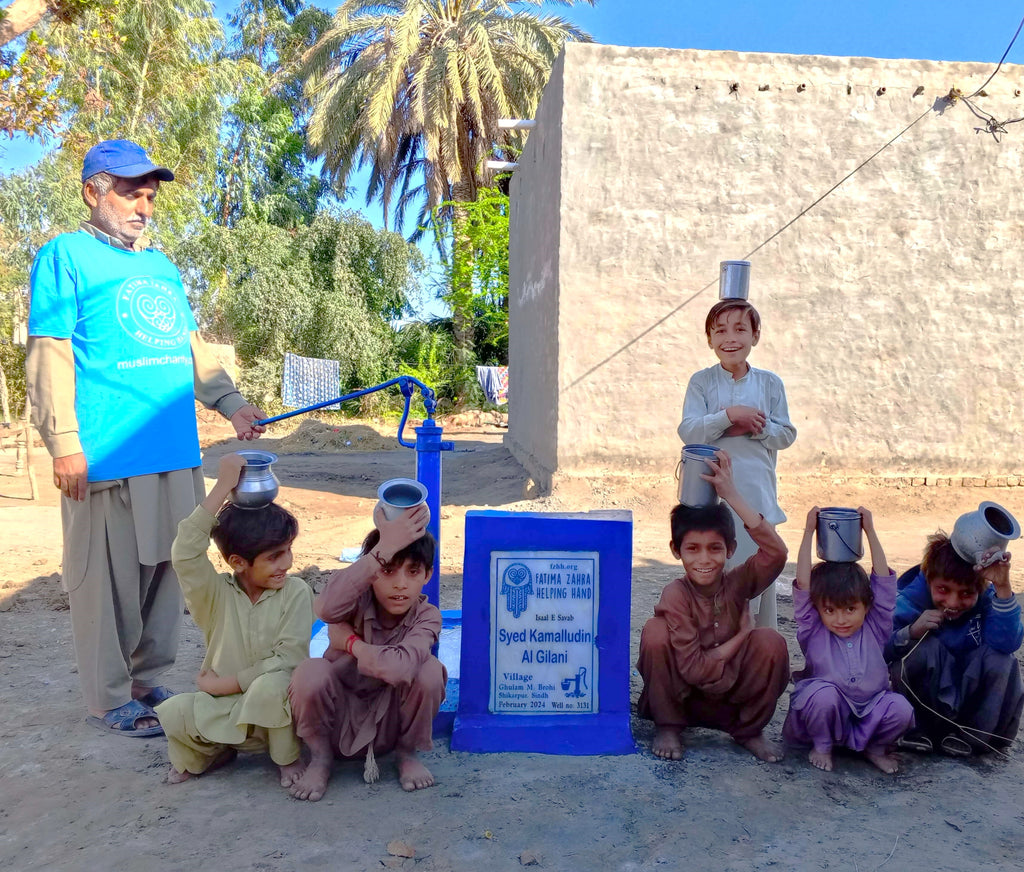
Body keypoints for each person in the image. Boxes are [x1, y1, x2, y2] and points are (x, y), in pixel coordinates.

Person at [26, 139, 266, 737]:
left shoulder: (162, 268)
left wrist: (231, 404)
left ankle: (144, 681)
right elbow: (50, 353)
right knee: (105, 584)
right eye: (132, 194)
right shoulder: (65, 256)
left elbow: (191, 349)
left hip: (175, 453)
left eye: (150, 196)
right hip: (107, 455)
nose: (144, 207)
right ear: (93, 192)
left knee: (169, 572)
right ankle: (109, 698)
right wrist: (64, 442)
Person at [155, 454, 313, 785]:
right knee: (174, 711)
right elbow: (185, 552)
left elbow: (289, 659)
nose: (287, 563)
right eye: (274, 556)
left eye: (288, 550)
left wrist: (227, 684)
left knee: (272, 686)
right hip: (223, 708)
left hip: (277, 715)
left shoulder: (296, 592)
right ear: (238, 562)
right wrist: (222, 487)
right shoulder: (214, 595)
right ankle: (216, 753)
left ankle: (286, 759)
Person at [637, 449, 790, 763]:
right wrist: (740, 636)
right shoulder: (676, 595)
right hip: (684, 699)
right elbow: (693, 669)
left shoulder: (738, 583)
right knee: (655, 632)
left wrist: (732, 494)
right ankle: (668, 726)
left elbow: (776, 554)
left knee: (770, 641)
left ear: (730, 549)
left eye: (715, 548)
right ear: (676, 551)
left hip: (731, 699)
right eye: (693, 549)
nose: (704, 559)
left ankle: (748, 731)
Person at [287, 501, 445, 800]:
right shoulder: (355, 600)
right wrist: (382, 549)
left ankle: (407, 754)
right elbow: (325, 608)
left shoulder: (427, 616)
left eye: (413, 572)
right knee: (310, 671)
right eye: (388, 570)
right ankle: (320, 759)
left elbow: (398, 670)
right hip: (338, 718)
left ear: (427, 576)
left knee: (430, 671)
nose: (400, 584)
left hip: (389, 725)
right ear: (373, 570)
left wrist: (351, 644)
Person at [678, 299, 796, 630]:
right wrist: (729, 416)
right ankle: (719, 648)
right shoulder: (701, 382)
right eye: (720, 331)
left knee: (755, 577)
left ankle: (756, 650)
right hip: (710, 498)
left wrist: (756, 427)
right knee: (717, 576)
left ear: (755, 336)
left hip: (755, 498)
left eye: (740, 329)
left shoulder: (770, 384)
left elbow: (786, 434)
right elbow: (689, 431)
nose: (730, 338)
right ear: (709, 340)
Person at [783, 507, 914, 773]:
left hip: (871, 711)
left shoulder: (875, 624)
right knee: (823, 696)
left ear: (867, 606)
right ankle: (822, 745)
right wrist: (808, 532)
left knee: (901, 708)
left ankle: (874, 748)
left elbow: (884, 583)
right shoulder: (814, 628)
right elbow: (804, 585)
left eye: (850, 609)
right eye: (830, 610)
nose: (841, 619)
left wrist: (870, 531)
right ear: (818, 609)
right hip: (826, 713)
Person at [884, 533, 1022, 756]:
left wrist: (1003, 588)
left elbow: (1007, 644)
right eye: (943, 590)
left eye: (967, 593)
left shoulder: (989, 600)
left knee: (1001, 658)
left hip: (971, 713)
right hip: (925, 711)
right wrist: (911, 631)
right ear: (928, 579)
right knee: (921, 649)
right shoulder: (909, 600)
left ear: (981, 588)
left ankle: (971, 738)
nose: (953, 602)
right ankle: (916, 730)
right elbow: (880, 652)